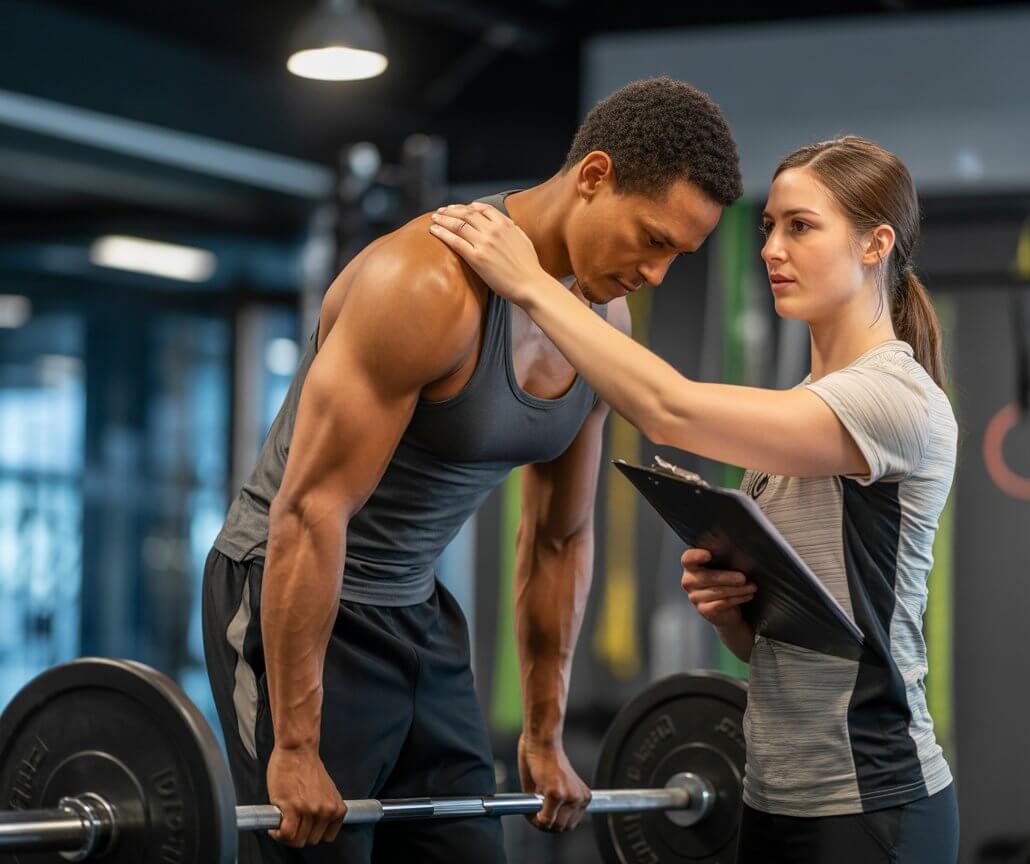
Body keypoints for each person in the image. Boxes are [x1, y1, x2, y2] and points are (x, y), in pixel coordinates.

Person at [200, 76, 742, 863]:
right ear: (593, 177)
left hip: (416, 610)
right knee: (313, 849)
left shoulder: (601, 323)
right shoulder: (424, 287)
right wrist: (293, 744)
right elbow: (310, 512)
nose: (656, 273)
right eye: (653, 239)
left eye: (678, 257)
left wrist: (545, 731)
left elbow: (560, 537)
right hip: (294, 593)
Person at [430, 134, 960, 863]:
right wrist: (736, 613)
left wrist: (530, 285)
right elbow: (792, 642)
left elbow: (666, 410)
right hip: (771, 794)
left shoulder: (895, 399)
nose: (772, 247)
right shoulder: (803, 408)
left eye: (801, 226)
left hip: (872, 800)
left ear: (875, 245)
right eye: (770, 225)